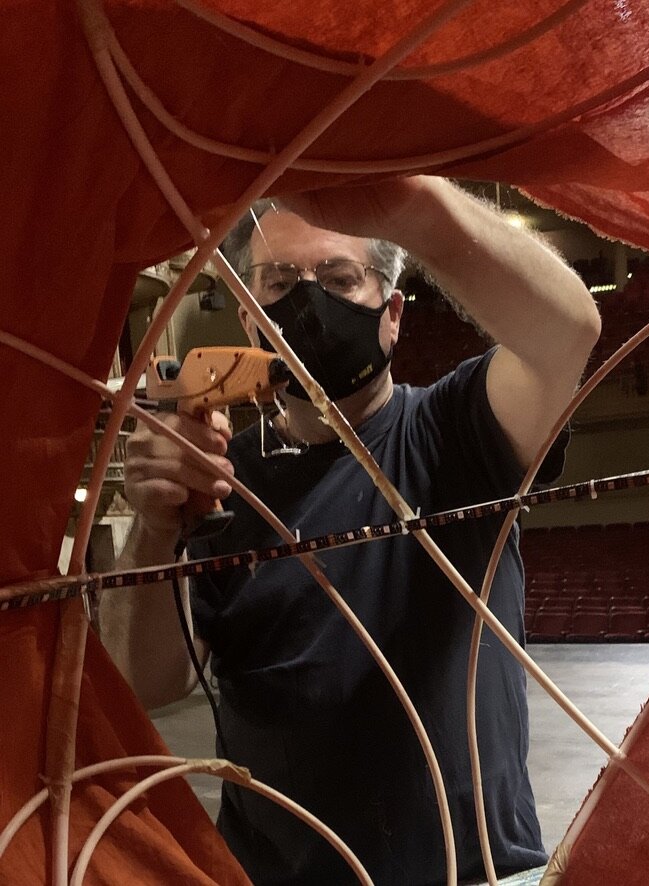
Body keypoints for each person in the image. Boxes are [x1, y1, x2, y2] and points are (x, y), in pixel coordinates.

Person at [101, 176, 600, 884]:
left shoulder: (456, 429)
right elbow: (142, 681)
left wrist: (412, 208)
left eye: (340, 277)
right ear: (248, 319)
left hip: (473, 868)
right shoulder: (215, 479)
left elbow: (568, 330)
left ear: (392, 314)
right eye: (276, 282)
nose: (308, 302)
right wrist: (153, 526)